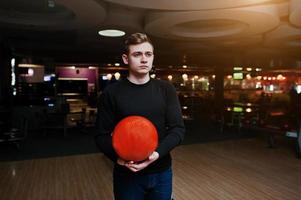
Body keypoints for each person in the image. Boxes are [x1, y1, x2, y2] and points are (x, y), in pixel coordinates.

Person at [95, 33, 185, 200]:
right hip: (127, 174)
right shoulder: (112, 93)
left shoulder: (166, 89)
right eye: (137, 54)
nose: (144, 59)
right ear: (125, 58)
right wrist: (120, 160)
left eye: (148, 54)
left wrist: (155, 155)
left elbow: (178, 130)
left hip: (161, 171)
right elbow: (101, 136)